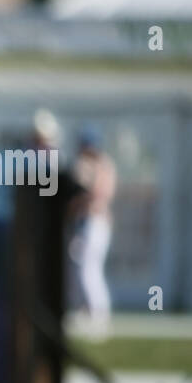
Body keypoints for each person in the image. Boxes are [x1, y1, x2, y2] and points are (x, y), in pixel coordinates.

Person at [69, 126, 117, 330]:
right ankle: (88, 308)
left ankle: (99, 311)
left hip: (94, 220)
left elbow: (96, 193)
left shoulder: (99, 165)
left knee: (89, 269)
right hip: (87, 221)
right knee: (82, 267)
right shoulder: (90, 164)